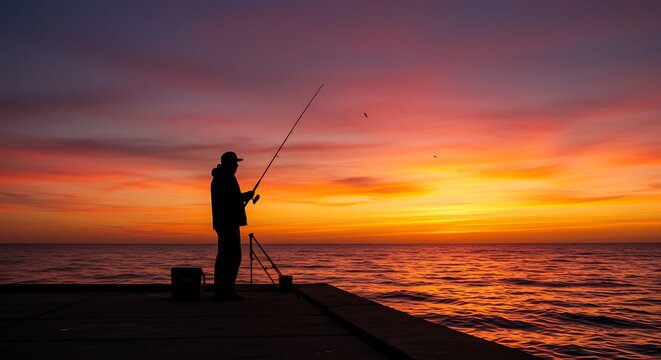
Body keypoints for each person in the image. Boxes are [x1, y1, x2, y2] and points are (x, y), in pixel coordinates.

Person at [211, 151, 254, 300]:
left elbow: (231, 199)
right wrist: (245, 197)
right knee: (232, 257)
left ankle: (221, 290)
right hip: (228, 223)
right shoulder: (226, 178)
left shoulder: (220, 178)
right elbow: (231, 200)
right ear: (229, 164)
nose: (237, 166)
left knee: (224, 256)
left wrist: (243, 197)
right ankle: (225, 292)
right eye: (235, 163)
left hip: (224, 223)